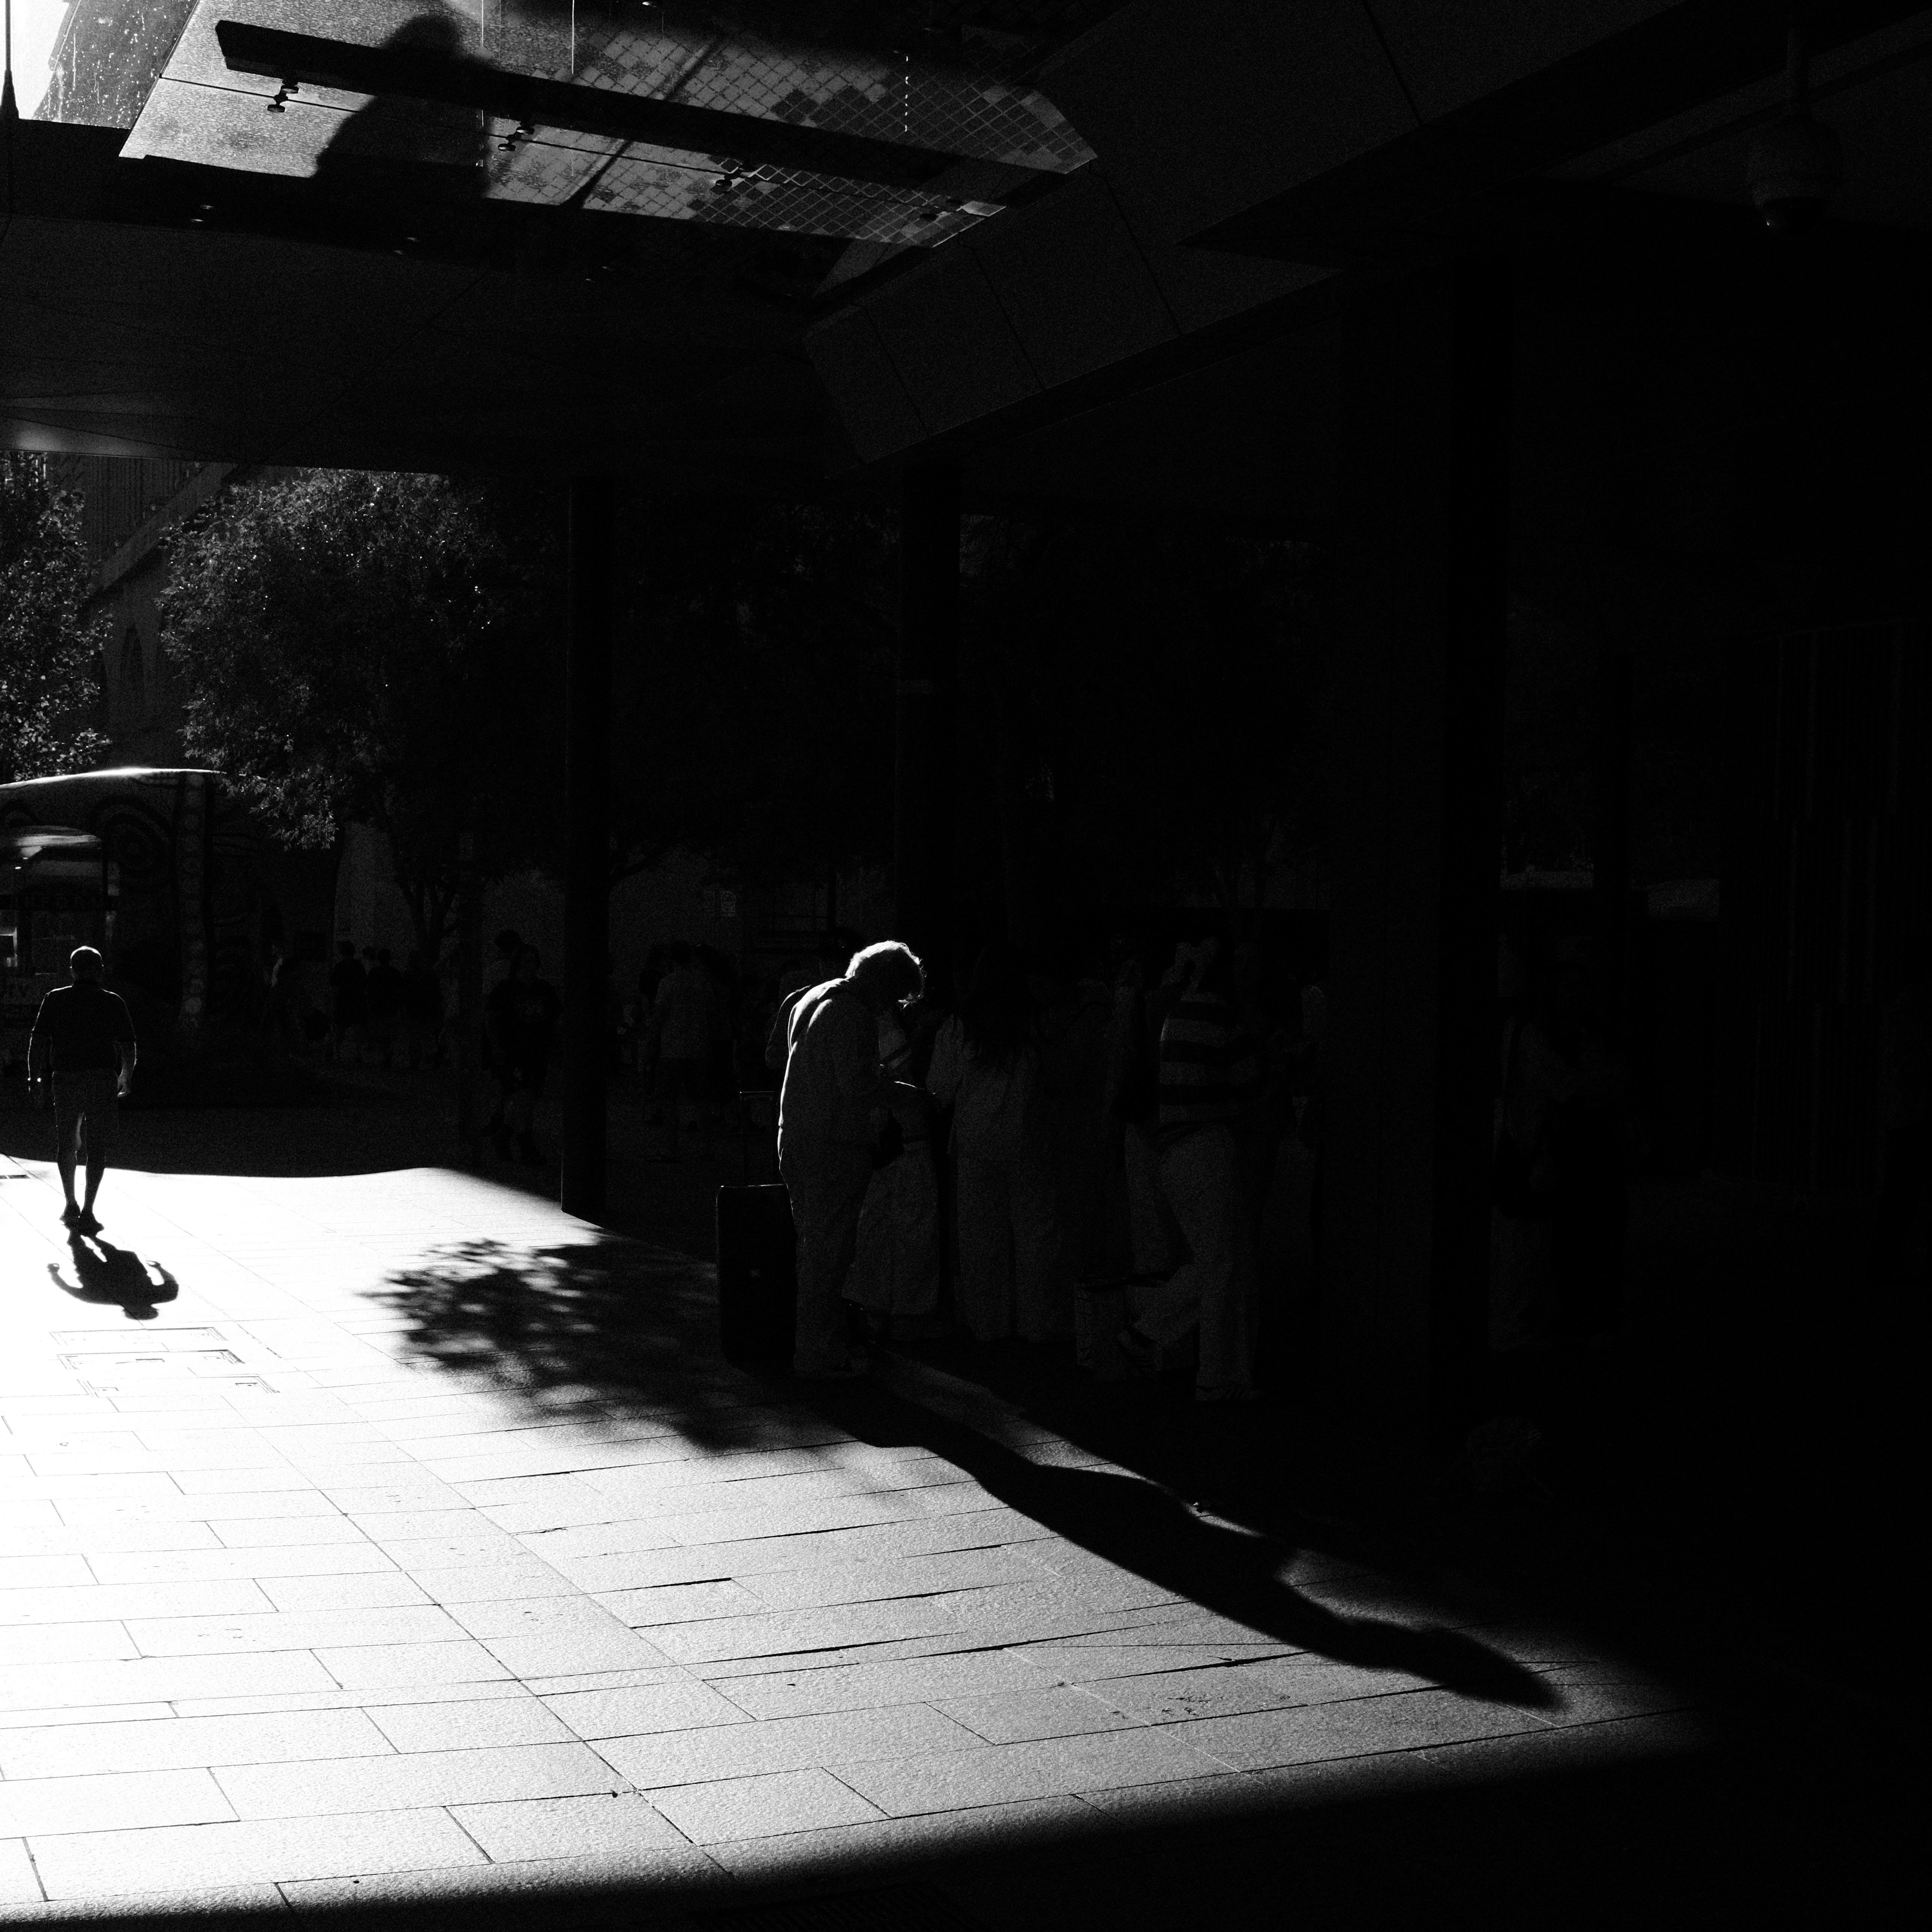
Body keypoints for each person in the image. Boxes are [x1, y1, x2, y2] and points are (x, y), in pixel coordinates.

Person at [1119, 935, 1264, 1402]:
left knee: (1215, 1261)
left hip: (1175, 1150)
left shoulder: (1178, 1015)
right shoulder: (1222, 1018)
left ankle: (1157, 1340)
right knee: (1223, 1264)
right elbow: (1250, 1086)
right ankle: (1209, 1372)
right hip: (1206, 1148)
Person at [777, 939, 926, 1378]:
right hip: (832, 1147)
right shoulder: (853, 1014)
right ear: (883, 984)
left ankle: (817, 1345)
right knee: (830, 1254)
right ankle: (820, 1353)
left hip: (797, 1137)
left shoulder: (812, 997)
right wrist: (911, 1096)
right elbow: (858, 1087)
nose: (893, 1009)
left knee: (815, 1248)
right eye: (898, 996)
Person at [926, 942, 1068, 1345]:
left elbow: (940, 1090)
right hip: (1028, 1140)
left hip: (974, 1142)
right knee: (1036, 1235)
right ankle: (1037, 1324)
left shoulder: (960, 1025)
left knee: (979, 1238)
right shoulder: (1036, 1023)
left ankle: (989, 1324)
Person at [845, 981, 944, 1341]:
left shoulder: (856, 1021)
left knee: (875, 1228)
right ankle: (909, 1313)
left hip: (876, 1143)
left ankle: (873, 1308)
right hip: (904, 1140)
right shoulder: (889, 1030)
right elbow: (903, 1088)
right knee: (912, 1228)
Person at [26, 946, 138, 1233]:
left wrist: (34, 1079)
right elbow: (128, 1045)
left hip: (66, 1078)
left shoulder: (55, 999)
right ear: (100, 970)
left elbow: (38, 1043)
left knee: (67, 1141)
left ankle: (70, 1202)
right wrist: (126, 1074)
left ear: (72, 970)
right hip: (102, 1079)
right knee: (97, 1145)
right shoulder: (112, 1002)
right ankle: (89, 1209)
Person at [1870, 942, 1932, 1282]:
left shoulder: (1897, 1011)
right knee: (1904, 1197)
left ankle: (1883, 1263)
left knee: (1900, 1197)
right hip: (1919, 1116)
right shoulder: (1919, 1010)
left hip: (1904, 1116)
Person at [484, 945, 563, 1165]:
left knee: (529, 1097)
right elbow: (491, 1017)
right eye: (525, 962)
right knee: (523, 1094)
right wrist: (496, 1046)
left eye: (533, 962)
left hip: (539, 1051)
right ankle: (519, 1140)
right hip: (514, 1051)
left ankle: (513, 1137)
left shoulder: (544, 989)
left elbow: (556, 1019)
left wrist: (558, 1047)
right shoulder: (506, 989)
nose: (530, 967)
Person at [650, 940, 714, 1161]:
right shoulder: (702, 982)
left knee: (670, 1102)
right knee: (702, 1101)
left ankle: (672, 1150)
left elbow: (660, 1017)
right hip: (699, 1048)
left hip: (672, 1049)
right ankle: (707, 1149)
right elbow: (711, 1014)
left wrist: (652, 1042)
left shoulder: (668, 983)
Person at [401, 951, 444, 1070]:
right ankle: (434, 1057)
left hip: (414, 1009)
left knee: (415, 1036)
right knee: (427, 1035)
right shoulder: (430, 974)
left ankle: (416, 1061)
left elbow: (405, 993)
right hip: (428, 1009)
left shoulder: (409, 974)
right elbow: (436, 992)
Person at [327, 939, 367, 1063]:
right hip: (357, 999)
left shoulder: (339, 966)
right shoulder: (359, 966)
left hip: (343, 1000)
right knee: (357, 1028)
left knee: (340, 1028)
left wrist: (333, 1002)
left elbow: (334, 986)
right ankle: (358, 1053)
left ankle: (337, 1053)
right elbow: (364, 984)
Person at [364, 947, 404, 1068]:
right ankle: (387, 1053)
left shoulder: (374, 972)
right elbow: (400, 991)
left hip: (377, 1007)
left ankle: (386, 1053)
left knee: (379, 1032)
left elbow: (369, 990)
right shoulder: (396, 973)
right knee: (388, 1032)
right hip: (392, 1007)